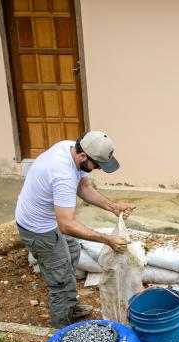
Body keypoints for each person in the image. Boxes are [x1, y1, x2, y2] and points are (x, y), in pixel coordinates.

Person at [15, 131, 134, 328]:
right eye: (97, 165)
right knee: (60, 280)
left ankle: (70, 305)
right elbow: (67, 224)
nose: (98, 169)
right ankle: (61, 329)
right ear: (83, 156)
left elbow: (84, 187)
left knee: (72, 250)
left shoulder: (71, 147)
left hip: (49, 221)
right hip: (38, 229)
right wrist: (107, 239)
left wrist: (113, 207)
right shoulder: (62, 174)